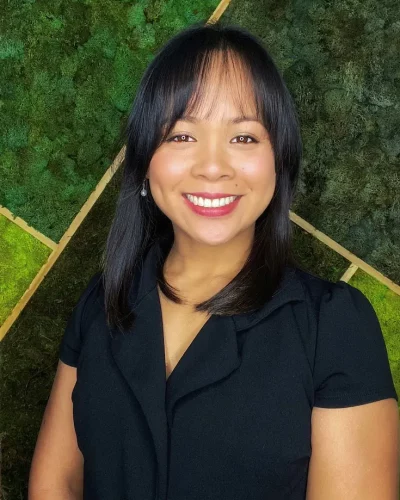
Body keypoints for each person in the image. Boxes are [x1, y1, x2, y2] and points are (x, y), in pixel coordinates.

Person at [29, 21, 399, 500]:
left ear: (278, 160)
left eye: (244, 138)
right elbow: (55, 482)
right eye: (181, 136)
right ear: (144, 161)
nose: (212, 166)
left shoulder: (333, 326)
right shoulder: (102, 305)